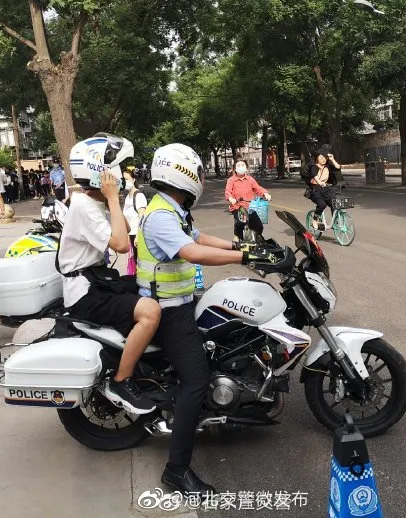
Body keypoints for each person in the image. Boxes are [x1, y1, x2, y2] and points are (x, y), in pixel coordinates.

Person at [136, 143, 274, 497]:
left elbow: (198, 237)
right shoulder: (161, 215)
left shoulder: (172, 209)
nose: (199, 179)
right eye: (196, 173)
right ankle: (176, 471)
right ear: (182, 174)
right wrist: (243, 257)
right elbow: (192, 251)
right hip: (168, 310)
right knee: (196, 381)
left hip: (179, 301)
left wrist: (241, 246)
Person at [59, 134, 160, 414]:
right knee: (150, 311)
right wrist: (114, 198)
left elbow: (124, 227)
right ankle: (121, 381)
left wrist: (112, 199)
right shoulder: (82, 205)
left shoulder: (92, 202)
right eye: (117, 167)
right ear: (99, 170)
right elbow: (122, 244)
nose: (121, 174)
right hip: (84, 294)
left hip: (96, 281)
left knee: (149, 285)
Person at [225, 158, 271, 241]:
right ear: (235, 168)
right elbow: (228, 191)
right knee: (240, 222)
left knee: (258, 225)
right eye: (238, 165)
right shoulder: (231, 180)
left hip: (250, 207)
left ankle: (258, 236)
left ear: (246, 168)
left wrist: (265, 193)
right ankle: (237, 237)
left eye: (243, 165)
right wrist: (231, 198)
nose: (241, 167)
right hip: (237, 207)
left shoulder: (250, 179)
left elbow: (258, 188)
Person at [304, 144, 341, 230]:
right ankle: (315, 219)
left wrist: (332, 159)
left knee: (334, 204)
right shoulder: (314, 166)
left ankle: (335, 222)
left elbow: (338, 167)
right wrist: (320, 183)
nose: (323, 159)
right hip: (315, 190)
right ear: (317, 158)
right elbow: (315, 176)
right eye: (321, 157)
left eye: (325, 158)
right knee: (322, 204)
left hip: (326, 189)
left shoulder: (327, 167)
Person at [122, 167, 148, 275]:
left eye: (127, 179)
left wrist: (138, 236)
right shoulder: (127, 197)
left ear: (133, 180)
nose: (125, 182)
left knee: (140, 263)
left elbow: (142, 217)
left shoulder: (139, 196)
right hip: (131, 235)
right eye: (123, 180)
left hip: (138, 236)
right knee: (135, 261)